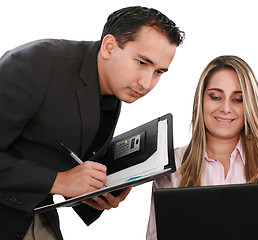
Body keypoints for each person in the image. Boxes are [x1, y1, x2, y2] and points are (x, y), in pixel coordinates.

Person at [0, 6, 184, 240]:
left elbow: (56, 150)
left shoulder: (112, 87)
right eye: (141, 63)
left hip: (34, 213)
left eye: (158, 72)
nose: (146, 83)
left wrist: (93, 193)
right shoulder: (37, 62)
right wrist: (60, 181)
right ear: (109, 47)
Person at [146, 55, 258, 239]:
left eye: (238, 99)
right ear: (201, 101)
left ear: (249, 105)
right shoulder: (173, 165)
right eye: (216, 97)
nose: (225, 108)